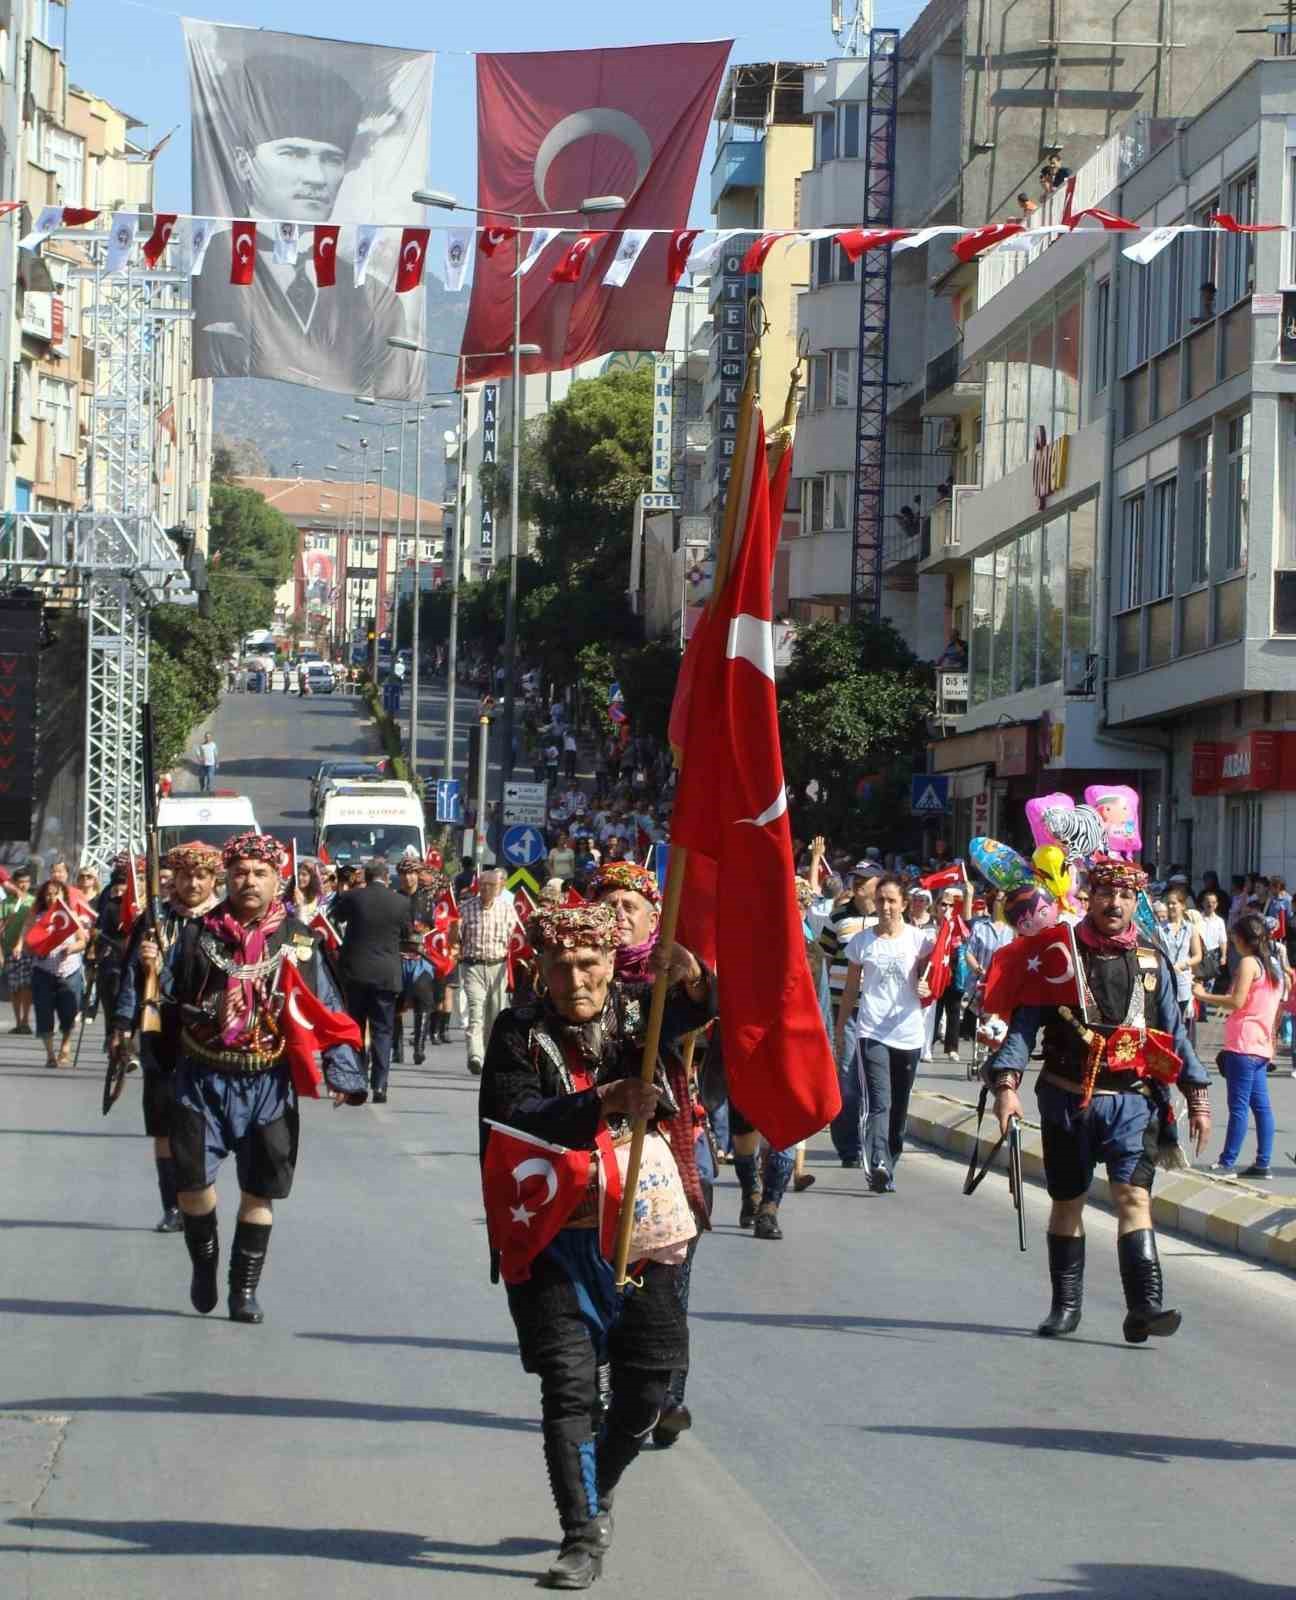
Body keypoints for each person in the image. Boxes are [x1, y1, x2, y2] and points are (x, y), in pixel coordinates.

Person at [478, 901, 714, 1590]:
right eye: (561, 966)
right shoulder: (518, 1031)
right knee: (569, 1387)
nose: (575, 979)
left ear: (613, 965)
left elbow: (702, 1013)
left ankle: (601, 1480)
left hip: (644, 1235)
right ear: (540, 968)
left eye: (589, 964)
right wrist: (602, 1100)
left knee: (645, 1390)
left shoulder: (644, 1013)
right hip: (555, 1236)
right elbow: (510, 1115)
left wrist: (695, 977)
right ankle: (580, 1533)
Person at [988, 855, 1211, 1343]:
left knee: (1133, 1197)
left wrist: (1197, 1096)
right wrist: (1006, 1087)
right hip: (1068, 1101)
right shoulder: (1057, 956)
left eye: (1127, 896)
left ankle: (1145, 1307)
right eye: (1107, 893)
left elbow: (1175, 1033)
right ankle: (1065, 1307)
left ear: (1136, 903)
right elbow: (1022, 1030)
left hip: (1133, 1104)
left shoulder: (1152, 959)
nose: (1116, 903)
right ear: (1089, 896)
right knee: (1068, 1201)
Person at [151, 832, 365, 1323]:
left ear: (277, 880)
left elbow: (326, 1008)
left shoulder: (296, 938)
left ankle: (242, 1290)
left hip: (267, 1082)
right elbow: (162, 998)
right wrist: (184, 1010)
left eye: (260, 873)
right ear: (227, 878)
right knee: (192, 1187)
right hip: (201, 1078)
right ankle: (203, 1264)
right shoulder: (196, 932)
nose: (249, 881)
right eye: (241, 873)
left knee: (260, 1190)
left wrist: (344, 1071)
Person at [112, 842, 224, 1232]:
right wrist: (123, 1025)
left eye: (201, 876)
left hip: (208, 1033)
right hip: (160, 1030)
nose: (192, 883)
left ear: (214, 880)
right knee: (163, 1124)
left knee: (202, 1122)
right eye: (185, 875)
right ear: (173, 879)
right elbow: (131, 977)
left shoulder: (224, 922)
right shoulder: (155, 918)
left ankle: (198, 1193)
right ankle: (172, 1206)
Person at [834, 874, 936, 1194]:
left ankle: (889, 1160)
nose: (886, 906)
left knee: (899, 1107)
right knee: (880, 1102)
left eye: (892, 900)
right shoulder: (861, 942)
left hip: (908, 1033)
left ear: (904, 905)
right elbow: (851, 989)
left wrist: (927, 987)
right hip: (871, 1031)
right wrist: (839, 1030)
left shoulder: (920, 941)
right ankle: (877, 1161)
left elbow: (936, 979)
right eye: (881, 900)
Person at [1194, 912, 1283, 1179]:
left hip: (1243, 1043)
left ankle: (1227, 1161)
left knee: (1239, 1105)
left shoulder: (1248, 964)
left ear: (1243, 939)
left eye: (1234, 938)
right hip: (1261, 1042)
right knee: (1261, 1106)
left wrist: (1203, 996)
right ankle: (1263, 1162)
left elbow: (1236, 1001)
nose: (1232, 943)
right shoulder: (1274, 966)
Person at [331, 858, 412, 1105]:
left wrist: (342, 891)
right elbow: (407, 935)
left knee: (355, 1026)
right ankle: (380, 1085)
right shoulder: (401, 902)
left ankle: (357, 1079)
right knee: (383, 1030)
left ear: (365, 876)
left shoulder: (355, 897)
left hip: (355, 972)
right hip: (386, 974)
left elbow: (335, 917)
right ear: (386, 877)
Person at [820, 861, 879, 1167]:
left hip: (880, 1012)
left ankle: (877, 1145)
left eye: (865, 879)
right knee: (846, 1078)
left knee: (877, 1080)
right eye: (856, 878)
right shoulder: (838, 916)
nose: (859, 883)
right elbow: (824, 960)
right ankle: (849, 1147)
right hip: (842, 1009)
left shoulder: (889, 917)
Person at [452, 866, 514, 1076]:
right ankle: (475, 1056)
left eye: (492, 886)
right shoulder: (466, 908)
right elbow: (455, 940)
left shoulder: (507, 909)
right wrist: (453, 933)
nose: (488, 889)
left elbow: (516, 939)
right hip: (473, 967)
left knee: (495, 1015)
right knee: (475, 1012)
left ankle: (490, 1057)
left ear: (499, 887)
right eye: (484, 885)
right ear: (478, 886)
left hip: (498, 967)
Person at [29, 877, 90, 1068]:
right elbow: (29, 944)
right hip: (43, 972)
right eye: (48, 893)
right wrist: (39, 948)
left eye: (56, 893)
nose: (51, 897)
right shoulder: (38, 917)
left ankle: (65, 1044)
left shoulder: (71, 915)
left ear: (63, 894)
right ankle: (50, 1054)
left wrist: (71, 949)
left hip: (68, 972)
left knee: (69, 1012)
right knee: (44, 1013)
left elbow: (82, 941)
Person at [1162, 888, 1202, 1038]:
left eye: (1174, 903)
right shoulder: (1159, 929)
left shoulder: (1191, 929)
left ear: (1183, 905)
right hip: (1165, 982)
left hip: (1183, 983)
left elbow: (1197, 956)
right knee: (1167, 1024)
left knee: (1183, 1026)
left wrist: (1183, 964)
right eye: (1169, 904)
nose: (1171, 906)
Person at [2, 864, 35, 1033]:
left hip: (28, 950)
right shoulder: (6, 903)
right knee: (14, 986)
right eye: (20, 882)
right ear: (14, 883)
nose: (23, 885)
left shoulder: (33, 902)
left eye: (27, 882)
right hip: (9, 949)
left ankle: (25, 1021)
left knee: (26, 985)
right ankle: (17, 1022)